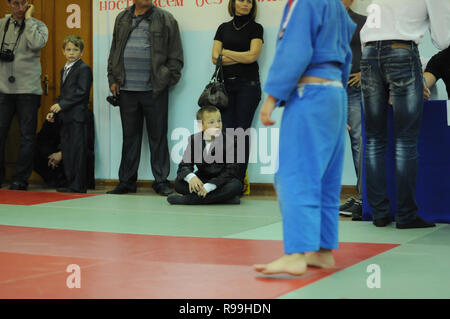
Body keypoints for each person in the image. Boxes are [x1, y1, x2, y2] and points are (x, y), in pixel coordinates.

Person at [254, 0, 355, 276]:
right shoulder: (334, 4)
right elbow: (346, 53)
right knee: (326, 179)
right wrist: (338, 104)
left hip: (309, 94)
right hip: (335, 93)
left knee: (295, 174)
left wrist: (271, 98)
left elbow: (295, 50)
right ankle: (322, 252)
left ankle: (295, 254)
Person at [359, 0, 450, 229]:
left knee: (373, 140)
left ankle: (378, 213)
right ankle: (406, 214)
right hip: (401, 52)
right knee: (405, 141)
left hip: (368, 53)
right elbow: (444, 39)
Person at [107, 0, 183, 196]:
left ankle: (161, 181)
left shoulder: (166, 18)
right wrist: (113, 78)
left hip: (154, 90)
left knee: (158, 136)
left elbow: (176, 54)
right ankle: (126, 182)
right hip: (126, 89)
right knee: (129, 137)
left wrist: (166, 78)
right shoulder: (122, 18)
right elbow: (114, 50)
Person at [211, 0, 264, 194]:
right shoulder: (223, 28)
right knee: (227, 133)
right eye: (242, 0)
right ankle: (227, 178)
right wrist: (235, 55)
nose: (246, 4)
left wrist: (225, 53)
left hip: (248, 87)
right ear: (233, 4)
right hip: (226, 87)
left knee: (241, 133)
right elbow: (214, 57)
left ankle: (238, 181)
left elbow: (252, 57)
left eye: (249, 1)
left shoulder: (256, 28)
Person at [0, 0, 48, 190]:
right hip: (3, 89)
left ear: (29, 4)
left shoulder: (38, 26)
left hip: (28, 90)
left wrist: (28, 20)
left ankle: (20, 179)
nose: (19, 8)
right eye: (15, 3)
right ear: (9, 4)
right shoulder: (2, 25)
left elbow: (36, 44)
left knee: (27, 136)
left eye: (23, 4)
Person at [46, 35, 93, 193]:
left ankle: (78, 185)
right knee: (68, 150)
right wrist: (54, 110)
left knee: (77, 151)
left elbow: (81, 92)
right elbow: (64, 94)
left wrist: (62, 105)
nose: (71, 52)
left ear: (82, 52)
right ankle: (71, 182)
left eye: (75, 49)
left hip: (77, 117)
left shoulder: (84, 68)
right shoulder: (64, 69)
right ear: (63, 51)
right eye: (68, 49)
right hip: (66, 116)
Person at [167, 106, 242, 205]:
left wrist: (210, 186)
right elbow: (184, 166)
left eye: (219, 121)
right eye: (211, 122)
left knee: (236, 185)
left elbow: (231, 171)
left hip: (221, 182)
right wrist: (191, 177)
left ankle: (189, 200)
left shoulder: (230, 141)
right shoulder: (194, 140)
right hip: (202, 179)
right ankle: (223, 199)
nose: (217, 125)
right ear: (201, 125)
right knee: (178, 183)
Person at [339, 0, 366, 221]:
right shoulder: (320, 20)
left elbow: (374, 52)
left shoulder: (362, 22)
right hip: (327, 90)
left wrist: (363, 73)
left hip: (354, 90)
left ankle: (365, 197)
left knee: (359, 141)